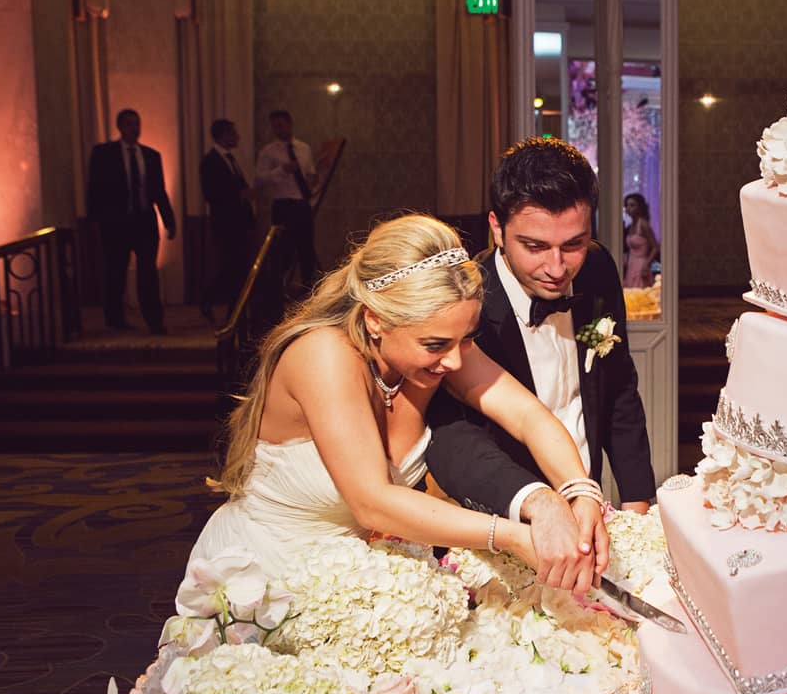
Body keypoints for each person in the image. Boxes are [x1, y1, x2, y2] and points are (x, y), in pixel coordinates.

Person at [186, 214, 605, 594]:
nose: (456, 360)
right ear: (375, 320)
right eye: (436, 345)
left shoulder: (433, 347)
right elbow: (372, 501)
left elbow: (528, 416)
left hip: (353, 581)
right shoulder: (323, 356)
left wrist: (577, 492)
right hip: (258, 579)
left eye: (466, 339)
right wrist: (513, 535)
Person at [426, 138, 656, 566]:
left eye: (573, 244)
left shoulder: (598, 269)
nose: (556, 268)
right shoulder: (463, 306)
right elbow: (455, 436)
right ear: (496, 227)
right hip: (503, 518)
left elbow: (618, 388)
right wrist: (535, 506)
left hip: (590, 502)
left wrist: (636, 508)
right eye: (534, 247)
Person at [86, 109, 176, 334]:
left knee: (148, 272)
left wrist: (169, 220)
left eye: (137, 123)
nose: (134, 128)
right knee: (115, 271)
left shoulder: (151, 155)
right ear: (120, 127)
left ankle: (154, 320)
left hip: (144, 221)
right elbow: (94, 189)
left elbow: (159, 191)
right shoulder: (104, 153)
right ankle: (115, 319)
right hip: (116, 222)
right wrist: (94, 221)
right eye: (129, 124)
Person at [200, 118, 255, 323]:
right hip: (225, 224)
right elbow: (212, 193)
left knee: (237, 267)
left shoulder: (231, 159)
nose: (238, 137)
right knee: (231, 266)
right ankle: (211, 300)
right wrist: (239, 195)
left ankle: (233, 308)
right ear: (224, 135)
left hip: (238, 223)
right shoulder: (210, 161)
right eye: (234, 133)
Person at [256, 109, 318, 288]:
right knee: (283, 250)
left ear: (290, 124)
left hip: (302, 204)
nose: (278, 130)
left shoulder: (304, 148)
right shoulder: (268, 151)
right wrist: (281, 170)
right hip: (283, 205)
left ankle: (308, 287)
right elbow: (260, 178)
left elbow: (311, 171)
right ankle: (276, 291)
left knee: (306, 248)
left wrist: (313, 179)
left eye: (281, 126)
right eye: (275, 127)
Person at [622, 192, 659, 288]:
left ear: (640, 207)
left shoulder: (643, 224)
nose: (629, 208)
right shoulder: (630, 226)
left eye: (632, 205)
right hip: (631, 264)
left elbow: (655, 247)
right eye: (627, 205)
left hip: (641, 265)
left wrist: (646, 264)